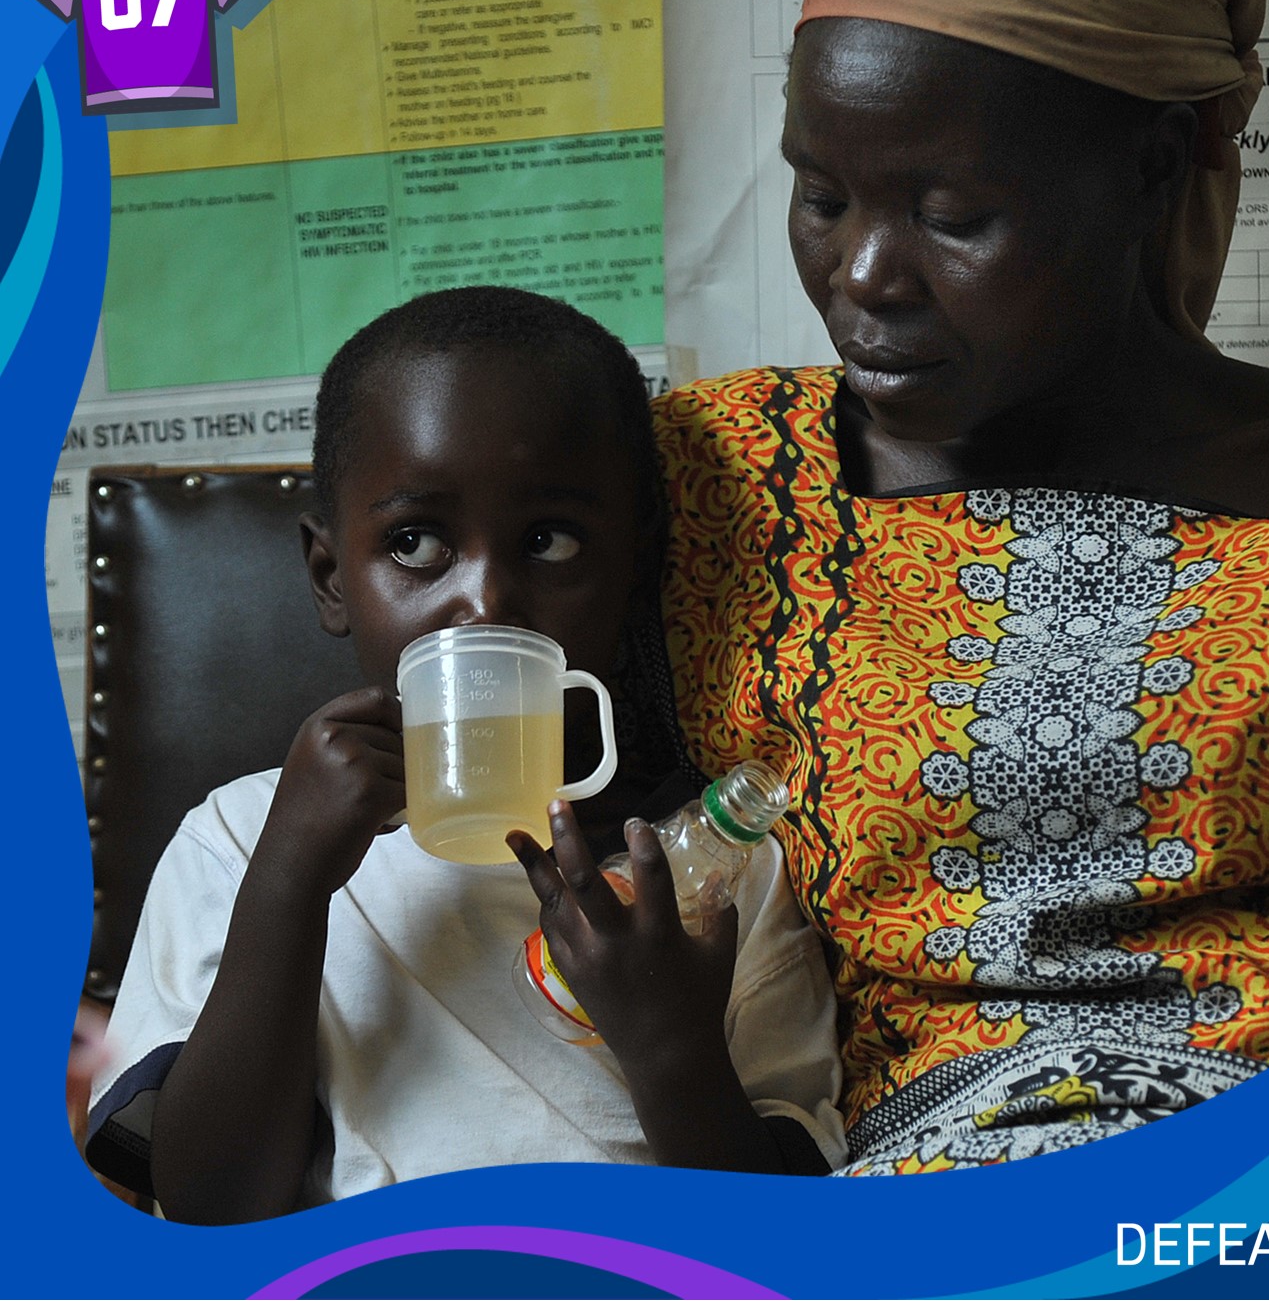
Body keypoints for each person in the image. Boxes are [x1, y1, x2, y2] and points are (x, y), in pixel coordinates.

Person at [649, 0, 1269, 1174]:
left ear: (1161, 161)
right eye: (822, 197)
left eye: (951, 218)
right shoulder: (714, 479)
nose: (866, 278)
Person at [85, 286, 844, 1222]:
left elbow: (791, 1241)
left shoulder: (716, 875)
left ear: (637, 568)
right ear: (332, 578)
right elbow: (209, 1206)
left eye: (549, 541)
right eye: (415, 543)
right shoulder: (240, 842)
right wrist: (290, 880)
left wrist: (668, 1045)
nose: (485, 602)